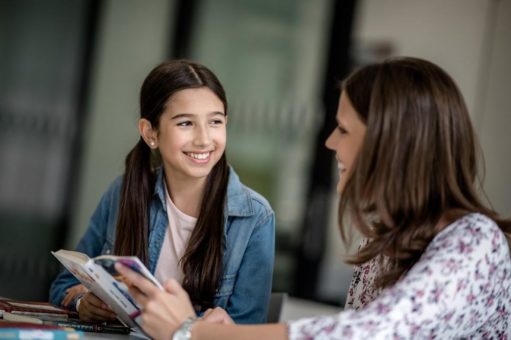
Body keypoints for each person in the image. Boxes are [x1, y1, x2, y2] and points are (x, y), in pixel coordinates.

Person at [116, 57, 511, 339]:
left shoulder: (476, 242)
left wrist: (192, 332)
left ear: (388, 145)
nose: (329, 142)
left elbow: (367, 334)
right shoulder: (383, 245)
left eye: (342, 128)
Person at [49, 59, 275, 324]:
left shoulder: (254, 217)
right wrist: (82, 302)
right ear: (150, 133)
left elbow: (246, 328)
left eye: (215, 122)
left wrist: (181, 324)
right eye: (185, 123)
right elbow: (63, 285)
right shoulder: (122, 193)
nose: (204, 139)